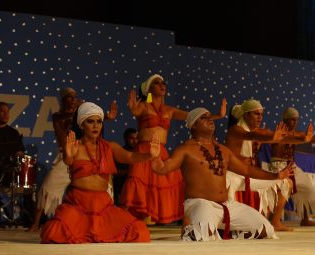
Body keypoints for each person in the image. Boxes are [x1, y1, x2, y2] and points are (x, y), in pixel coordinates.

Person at [151, 107, 294, 241]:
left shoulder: (223, 150)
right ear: (193, 125)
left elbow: (247, 170)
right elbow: (162, 168)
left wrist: (276, 176)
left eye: (210, 117)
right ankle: (193, 228)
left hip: (226, 205)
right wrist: (155, 157)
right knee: (201, 235)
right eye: (204, 118)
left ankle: (226, 232)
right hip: (201, 204)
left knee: (265, 229)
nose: (210, 119)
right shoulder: (185, 150)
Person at [40, 102, 159, 243]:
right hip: (78, 204)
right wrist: (69, 155)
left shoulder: (109, 147)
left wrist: (150, 155)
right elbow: (68, 161)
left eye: (99, 122)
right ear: (81, 124)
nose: (96, 126)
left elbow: (130, 157)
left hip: (103, 206)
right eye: (90, 122)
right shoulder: (75, 146)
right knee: (52, 233)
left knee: (140, 231)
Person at [120, 73, 227, 224]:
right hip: (143, 150)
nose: (162, 85)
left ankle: (187, 223)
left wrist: (217, 115)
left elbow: (193, 116)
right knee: (137, 184)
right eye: (157, 83)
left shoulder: (169, 110)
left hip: (161, 152)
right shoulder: (144, 106)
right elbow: (136, 111)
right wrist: (133, 108)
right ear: (148, 89)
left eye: (163, 82)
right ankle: (123, 222)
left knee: (168, 184)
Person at [28, 87, 117, 232]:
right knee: (48, 187)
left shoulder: (81, 117)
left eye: (74, 97)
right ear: (63, 100)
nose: (73, 100)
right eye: (69, 97)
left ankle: (105, 222)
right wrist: (79, 111)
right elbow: (68, 119)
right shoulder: (58, 116)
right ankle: (36, 223)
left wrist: (105, 117)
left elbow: (90, 119)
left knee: (106, 187)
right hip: (66, 156)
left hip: (87, 155)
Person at [225, 99, 296, 231]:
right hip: (232, 178)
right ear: (245, 115)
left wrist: (304, 139)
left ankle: (275, 222)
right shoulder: (235, 130)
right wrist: (272, 138)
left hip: (247, 175)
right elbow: (252, 135)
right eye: (256, 114)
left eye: (261, 114)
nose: (260, 117)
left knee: (286, 182)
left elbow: (283, 137)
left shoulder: (257, 132)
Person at [270, 107, 315, 227]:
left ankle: (305, 219)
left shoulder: (298, 133)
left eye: (296, 120)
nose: (295, 123)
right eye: (292, 120)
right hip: (278, 166)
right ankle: (275, 221)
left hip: (292, 166)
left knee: (308, 189)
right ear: (285, 120)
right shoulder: (278, 133)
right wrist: (303, 139)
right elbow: (288, 139)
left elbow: (314, 139)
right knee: (281, 192)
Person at [113, 128, 139, 205]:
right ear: (125, 138)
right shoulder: (120, 152)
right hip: (122, 189)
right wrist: (131, 172)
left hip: (137, 192)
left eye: (136, 138)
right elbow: (114, 172)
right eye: (131, 138)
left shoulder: (140, 153)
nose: (135, 141)